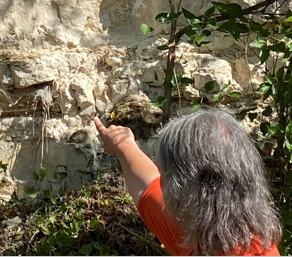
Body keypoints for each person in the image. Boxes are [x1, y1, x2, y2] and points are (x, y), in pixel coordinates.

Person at [93, 108, 282, 256]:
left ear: (181, 188)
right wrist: (123, 144)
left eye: (166, 174)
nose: (162, 182)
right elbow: (146, 187)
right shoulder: (202, 237)